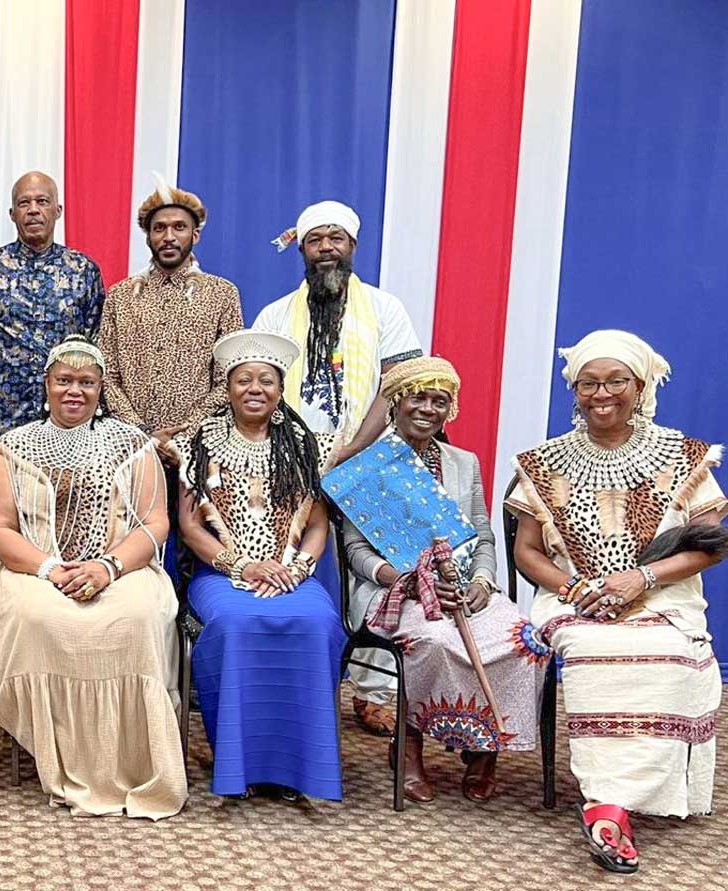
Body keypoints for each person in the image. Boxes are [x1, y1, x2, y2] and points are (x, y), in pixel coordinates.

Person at [506, 330, 726, 874]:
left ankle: (633, 790)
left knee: (672, 658)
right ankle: (606, 805)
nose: (601, 393)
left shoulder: (683, 454)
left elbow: (712, 544)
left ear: (641, 385)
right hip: (571, 596)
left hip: (664, 595)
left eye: (615, 381)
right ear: (575, 391)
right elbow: (527, 551)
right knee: (591, 651)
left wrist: (642, 579)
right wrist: (576, 590)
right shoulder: (545, 461)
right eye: (589, 383)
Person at [0, 335, 185, 820]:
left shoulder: (131, 445)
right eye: (65, 381)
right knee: (41, 618)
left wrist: (108, 566)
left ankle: (135, 765)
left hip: (120, 567)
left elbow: (156, 522)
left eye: (87, 383)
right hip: (34, 569)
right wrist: (50, 568)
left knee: (136, 618)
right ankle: (59, 756)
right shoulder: (13, 448)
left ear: (100, 389)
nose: (75, 391)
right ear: (47, 385)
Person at [342, 357, 546, 803]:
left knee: (523, 639)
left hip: (463, 584)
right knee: (434, 641)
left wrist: (483, 581)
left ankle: (483, 746)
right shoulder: (368, 468)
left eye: (440, 401)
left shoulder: (463, 463)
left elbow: (483, 533)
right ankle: (409, 744)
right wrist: (405, 579)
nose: (428, 409)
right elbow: (356, 552)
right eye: (418, 398)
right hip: (394, 590)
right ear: (396, 403)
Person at [254, 199, 423, 735]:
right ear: (301, 248)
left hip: (369, 458)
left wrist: (349, 453)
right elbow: (258, 390)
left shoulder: (386, 308)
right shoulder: (277, 314)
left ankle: (375, 691)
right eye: (316, 239)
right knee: (292, 561)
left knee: (379, 570)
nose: (327, 248)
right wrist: (305, 458)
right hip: (292, 462)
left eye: (337, 239)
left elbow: (398, 386)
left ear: (353, 246)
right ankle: (300, 678)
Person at [171, 329, 344, 802]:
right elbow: (190, 528)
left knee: (316, 621)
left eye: (265, 381)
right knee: (237, 622)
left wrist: (299, 567)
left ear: (280, 390)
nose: (254, 389)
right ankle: (236, 761)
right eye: (243, 379)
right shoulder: (198, 442)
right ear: (227, 388)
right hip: (221, 574)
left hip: (293, 573)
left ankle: (297, 769)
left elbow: (317, 524)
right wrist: (242, 566)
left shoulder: (305, 447)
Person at [97, 177, 242, 444]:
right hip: (129, 442)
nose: (169, 237)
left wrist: (187, 431)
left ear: (195, 234)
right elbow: (106, 374)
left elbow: (231, 376)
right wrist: (141, 432)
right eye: (159, 228)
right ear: (148, 236)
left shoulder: (222, 294)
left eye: (179, 227)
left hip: (200, 443)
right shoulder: (121, 296)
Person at [0, 171, 103, 434]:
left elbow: (94, 351)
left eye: (43, 202)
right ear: (12, 213)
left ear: (58, 210)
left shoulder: (83, 270)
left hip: (69, 424)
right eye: (24, 203)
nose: (34, 210)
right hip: (2, 427)